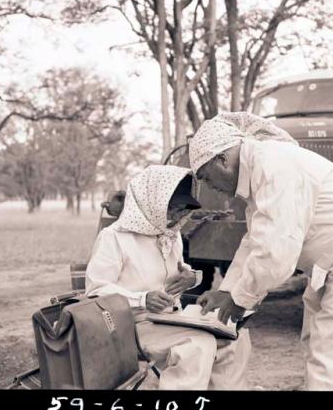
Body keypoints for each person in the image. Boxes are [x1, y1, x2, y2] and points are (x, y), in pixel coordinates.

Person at [189, 112, 333, 391]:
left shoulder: (273, 165)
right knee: (325, 351)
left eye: (206, 178)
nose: (211, 188)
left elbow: (276, 250)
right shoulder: (261, 171)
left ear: (222, 159)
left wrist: (240, 300)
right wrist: (226, 291)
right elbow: (255, 241)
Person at [85, 165, 251, 390]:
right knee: (197, 344)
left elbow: (180, 273)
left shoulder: (171, 236)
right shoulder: (114, 237)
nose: (176, 217)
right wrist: (142, 299)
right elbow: (95, 292)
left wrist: (192, 278)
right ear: (150, 202)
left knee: (235, 338)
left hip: (170, 319)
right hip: (132, 326)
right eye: (171, 208)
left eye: (182, 210)